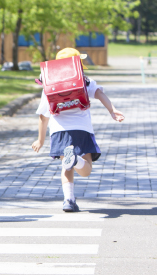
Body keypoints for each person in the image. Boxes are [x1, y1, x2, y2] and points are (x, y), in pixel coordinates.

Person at [31, 48, 125, 212]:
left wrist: (40, 140)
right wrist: (112, 110)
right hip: (81, 129)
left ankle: (69, 200)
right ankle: (76, 159)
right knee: (86, 169)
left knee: (66, 168)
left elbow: (43, 116)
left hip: (59, 131)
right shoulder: (84, 81)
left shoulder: (49, 86)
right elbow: (99, 93)